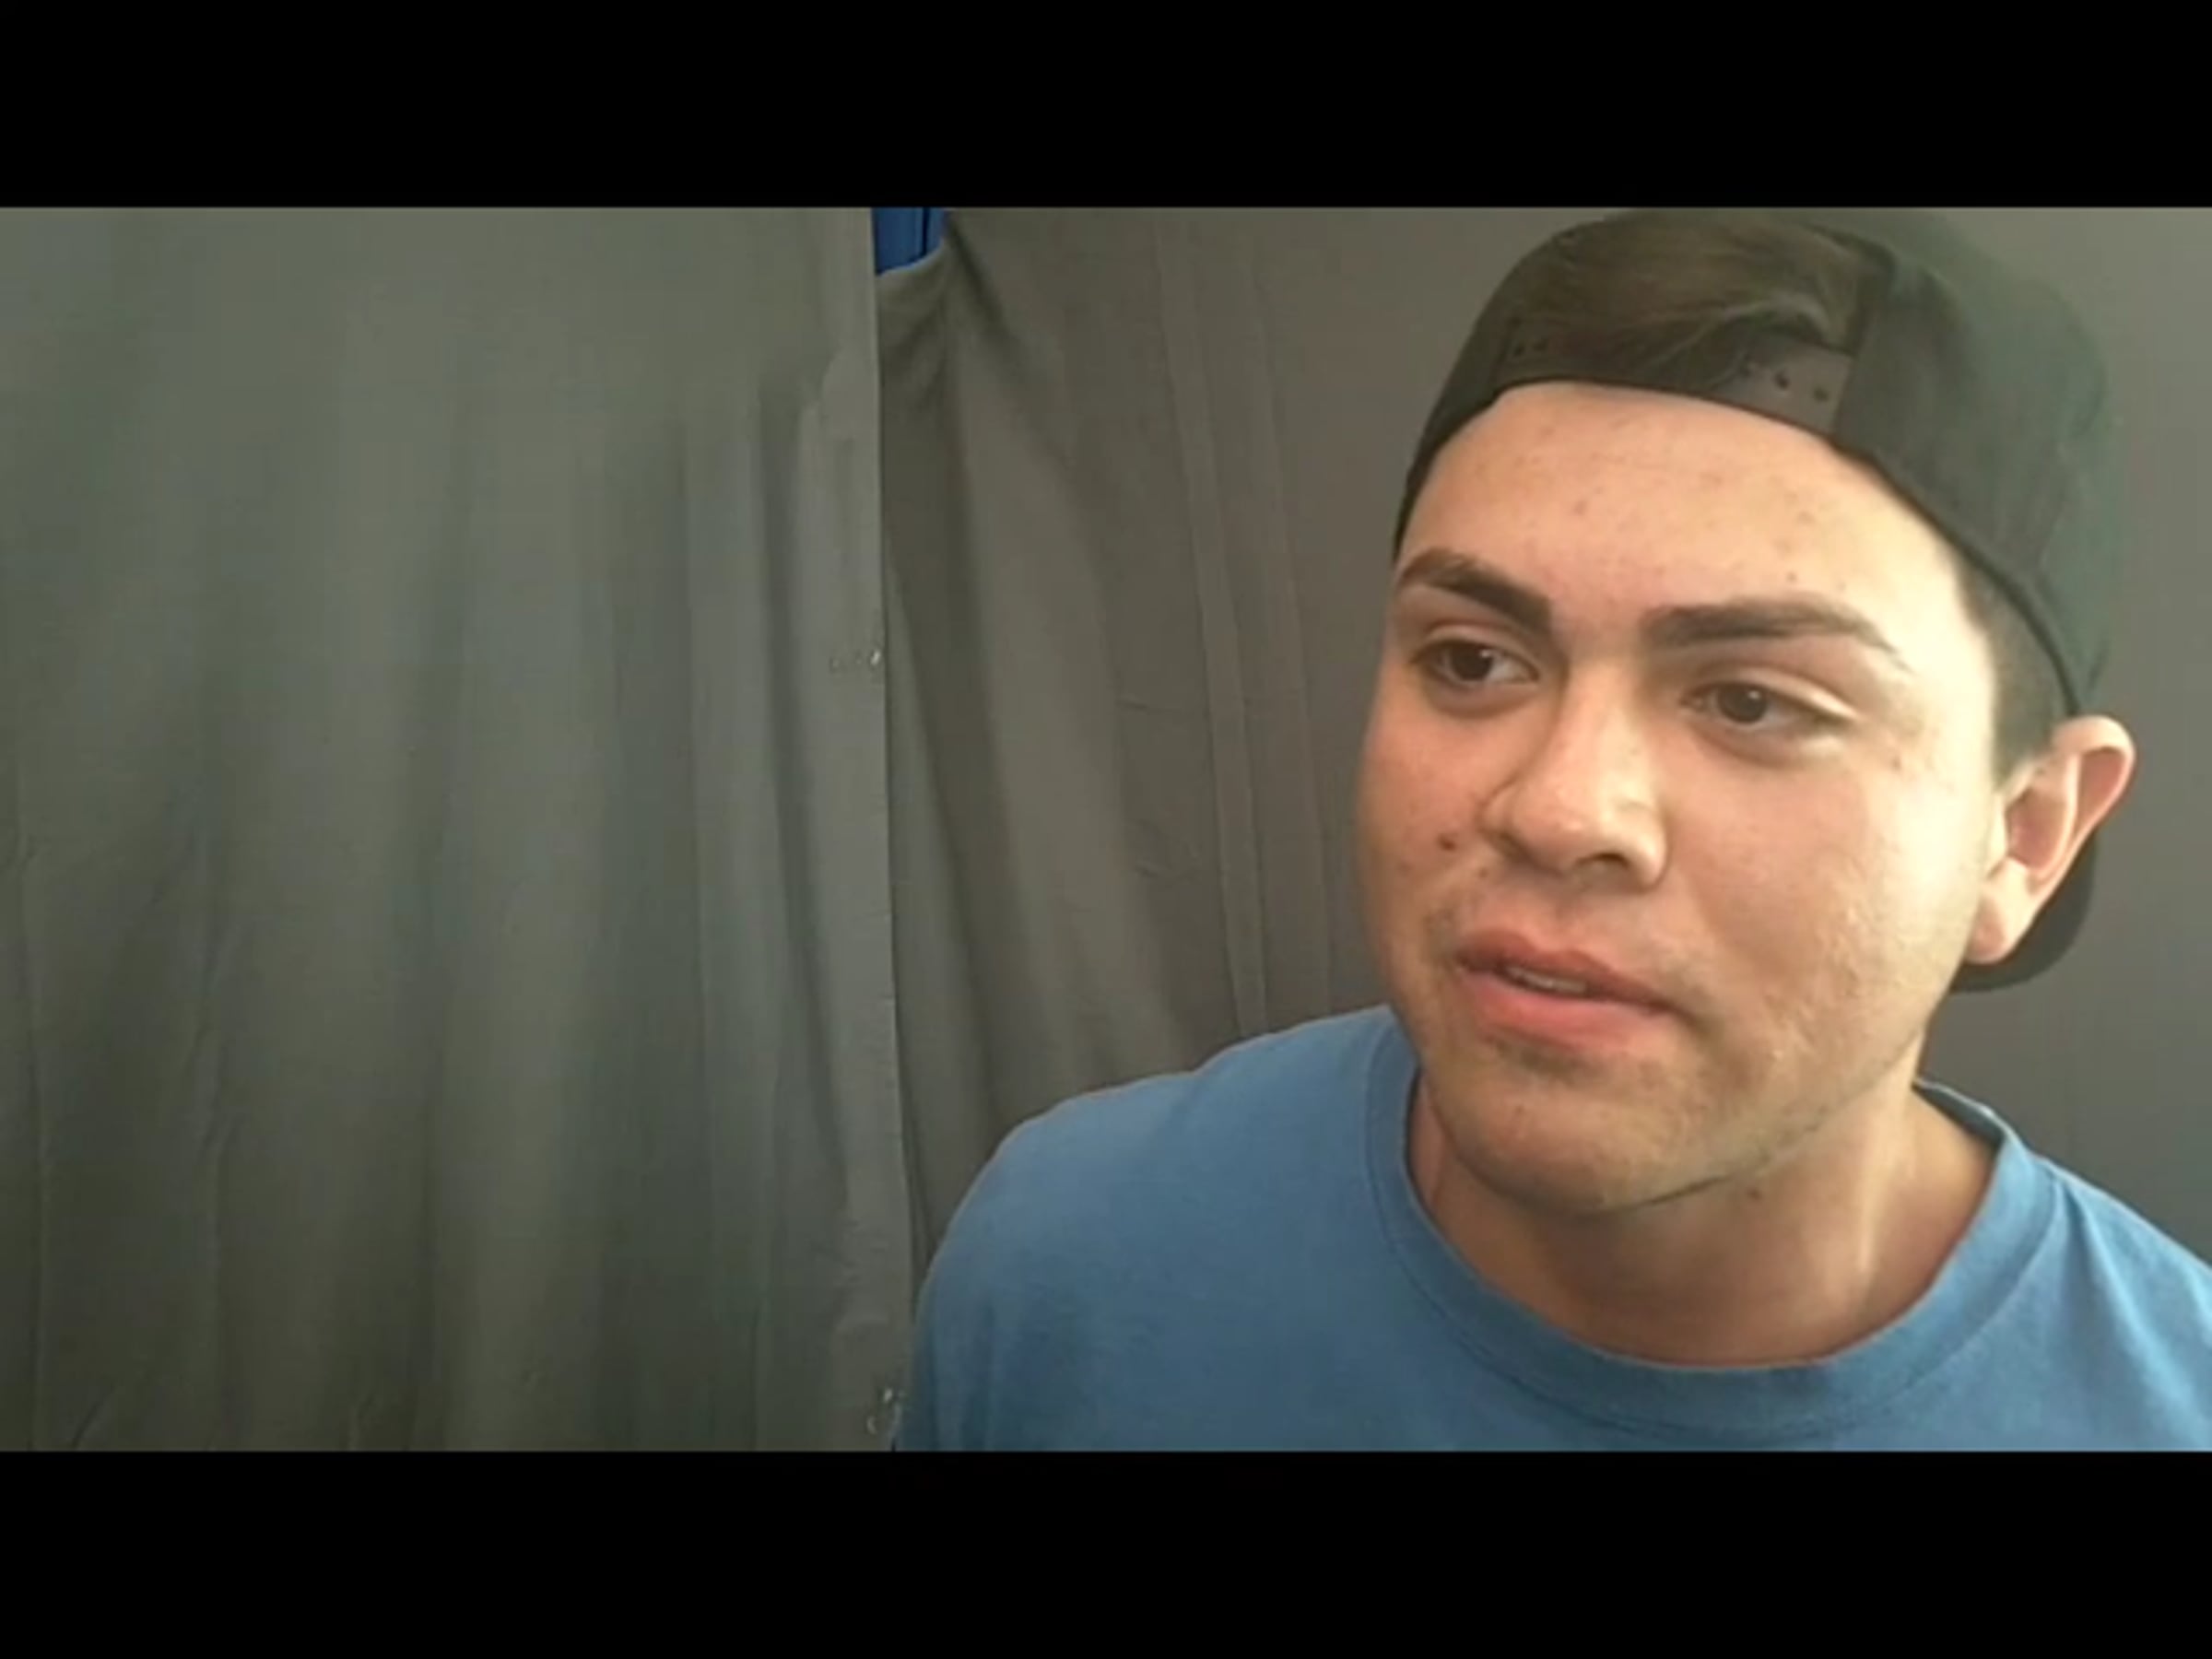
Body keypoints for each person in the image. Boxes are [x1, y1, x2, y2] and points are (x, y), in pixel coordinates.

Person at [894, 207, 2212, 1450]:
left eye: (1752, 701)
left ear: (2025, 834)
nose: (1560, 808)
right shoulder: (1071, 1272)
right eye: (1473, 661)